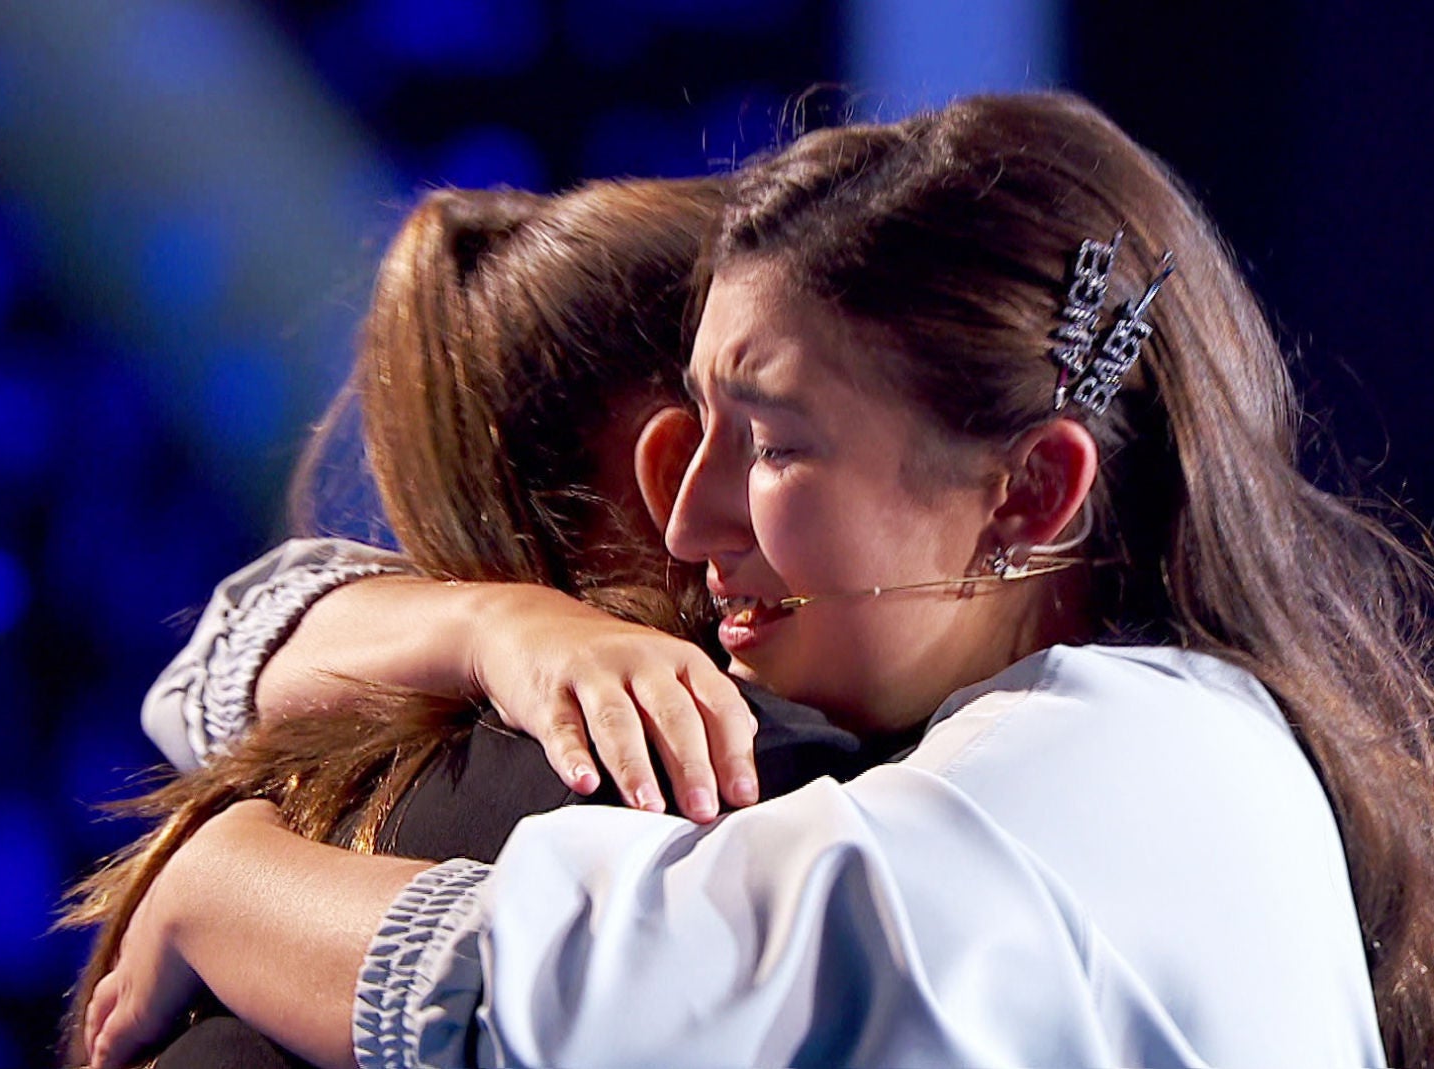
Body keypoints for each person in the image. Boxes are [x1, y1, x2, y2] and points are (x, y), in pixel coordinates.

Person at [84, 92, 1434, 1068]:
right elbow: (217, 668)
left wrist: (226, 881)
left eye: (770, 444)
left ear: (1033, 490)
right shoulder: (1158, 735)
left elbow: (577, 987)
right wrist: (496, 624)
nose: (686, 521)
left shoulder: (1115, 766)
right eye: (693, 425)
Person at [58, 176, 874, 1067]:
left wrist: (226, 882)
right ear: (680, 465)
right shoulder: (743, 778)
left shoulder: (335, 776)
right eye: (787, 437)